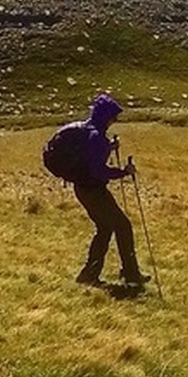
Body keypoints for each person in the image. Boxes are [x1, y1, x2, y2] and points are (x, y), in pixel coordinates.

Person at [53, 92, 144, 290]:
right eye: (113, 117)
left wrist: (109, 147)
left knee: (106, 228)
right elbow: (98, 170)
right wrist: (123, 173)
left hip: (84, 189)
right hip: (93, 190)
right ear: (106, 116)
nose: (114, 121)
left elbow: (89, 158)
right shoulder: (96, 136)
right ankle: (130, 275)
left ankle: (90, 274)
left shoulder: (88, 130)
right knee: (122, 226)